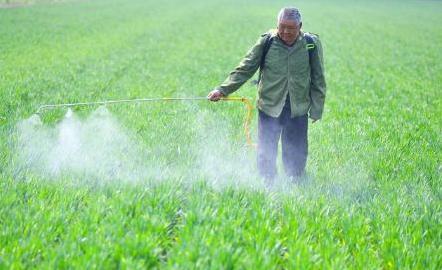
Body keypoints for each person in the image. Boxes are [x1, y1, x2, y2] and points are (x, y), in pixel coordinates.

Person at [207, 7, 326, 181]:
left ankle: (296, 182)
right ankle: (267, 183)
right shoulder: (267, 42)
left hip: (297, 107)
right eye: (282, 26)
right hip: (269, 106)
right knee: (266, 151)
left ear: (300, 26)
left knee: (296, 152)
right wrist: (222, 89)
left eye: (291, 28)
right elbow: (245, 68)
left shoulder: (310, 44)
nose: (285, 31)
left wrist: (317, 109)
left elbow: (318, 78)